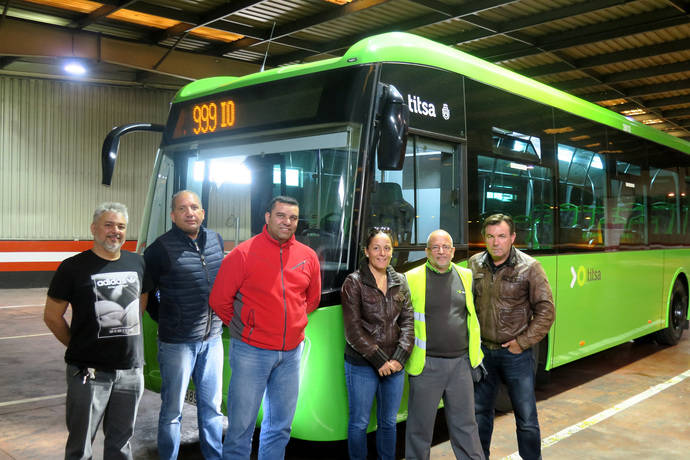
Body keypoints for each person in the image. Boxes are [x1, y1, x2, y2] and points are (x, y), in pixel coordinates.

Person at [209, 195, 321, 459]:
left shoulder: (308, 256)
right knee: (240, 428)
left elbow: (311, 299)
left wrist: (291, 325)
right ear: (268, 217)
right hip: (251, 352)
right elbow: (219, 300)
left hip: (291, 354)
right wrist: (248, 328)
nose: (287, 222)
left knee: (280, 427)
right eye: (281, 216)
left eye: (293, 217)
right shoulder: (243, 254)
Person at [43, 202, 152, 460]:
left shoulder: (138, 263)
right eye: (109, 225)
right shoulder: (72, 267)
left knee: (121, 443)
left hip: (130, 371)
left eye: (121, 226)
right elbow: (52, 316)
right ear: (94, 228)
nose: (115, 231)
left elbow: (141, 302)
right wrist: (78, 345)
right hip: (89, 373)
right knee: (81, 446)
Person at [143, 190, 225, 459]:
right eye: (182, 208)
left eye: (194, 207)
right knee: (172, 410)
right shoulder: (159, 249)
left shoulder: (215, 239)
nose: (189, 212)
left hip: (212, 340)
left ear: (203, 213)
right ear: (172, 215)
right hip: (177, 343)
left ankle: (214, 455)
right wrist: (169, 318)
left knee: (211, 408)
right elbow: (148, 294)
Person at [468, 214, 555, 460]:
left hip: (515, 355)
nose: (496, 243)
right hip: (483, 353)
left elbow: (546, 310)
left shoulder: (530, 267)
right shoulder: (474, 265)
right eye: (491, 236)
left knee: (526, 417)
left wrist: (523, 342)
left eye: (502, 236)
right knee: (479, 414)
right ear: (484, 238)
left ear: (513, 238)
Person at [404, 229, 485, 460]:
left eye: (446, 247)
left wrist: (475, 358)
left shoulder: (466, 275)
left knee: (466, 427)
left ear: (453, 251)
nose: (441, 251)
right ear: (427, 251)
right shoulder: (411, 278)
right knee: (419, 430)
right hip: (426, 365)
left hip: (461, 365)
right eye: (435, 247)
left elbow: (471, 317)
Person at [341, 227, 414, 460]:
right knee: (359, 423)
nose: (382, 253)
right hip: (362, 364)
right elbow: (353, 330)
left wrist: (399, 359)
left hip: (395, 365)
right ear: (366, 251)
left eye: (387, 248)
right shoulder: (353, 282)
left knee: (389, 422)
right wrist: (379, 360)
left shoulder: (400, 281)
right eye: (376, 248)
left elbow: (409, 323)